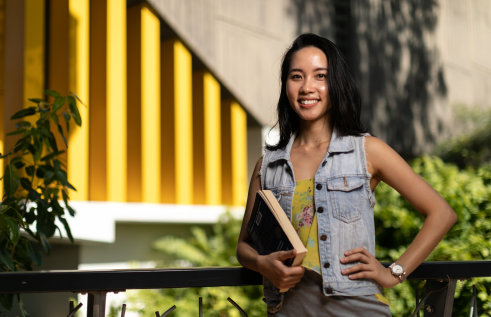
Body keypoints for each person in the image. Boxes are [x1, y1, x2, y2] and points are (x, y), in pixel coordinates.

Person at [235, 33, 457, 316]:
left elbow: (441, 213)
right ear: (285, 86)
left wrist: (394, 272)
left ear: (335, 83)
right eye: (296, 77)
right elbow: (244, 246)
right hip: (290, 308)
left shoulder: (367, 151)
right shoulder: (268, 165)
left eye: (320, 76)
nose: (307, 87)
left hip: (357, 309)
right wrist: (262, 264)